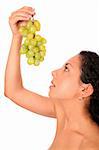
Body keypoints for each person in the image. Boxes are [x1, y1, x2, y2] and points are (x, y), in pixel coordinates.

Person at [4, 6, 99, 150]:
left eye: (66, 69)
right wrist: (17, 36)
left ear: (85, 89)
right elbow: (13, 91)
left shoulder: (90, 145)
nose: (54, 72)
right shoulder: (62, 111)